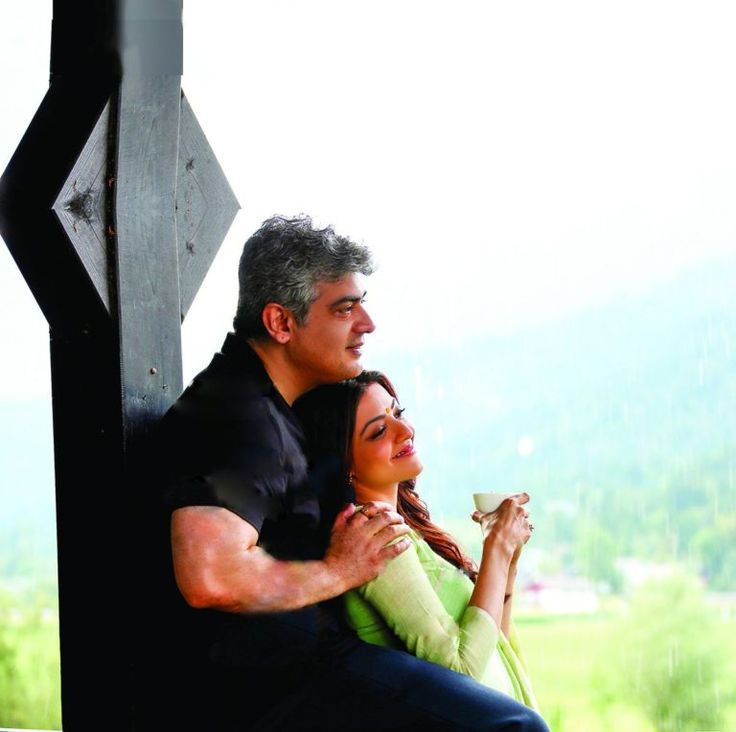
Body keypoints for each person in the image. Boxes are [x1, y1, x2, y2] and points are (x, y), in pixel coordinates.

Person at [148, 214, 550, 731]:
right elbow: (209, 576)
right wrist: (341, 570)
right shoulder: (236, 416)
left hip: (308, 671)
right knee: (513, 728)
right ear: (281, 323)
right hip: (281, 690)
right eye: (344, 309)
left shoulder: (269, 408)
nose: (367, 323)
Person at [293, 370, 542, 714]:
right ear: (344, 464)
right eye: (379, 430)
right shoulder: (376, 536)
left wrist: (507, 555)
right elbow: (460, 672)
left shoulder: (405, 529)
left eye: (398, 413)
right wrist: (496, 549)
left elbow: (492, 644)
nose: (405, 430)